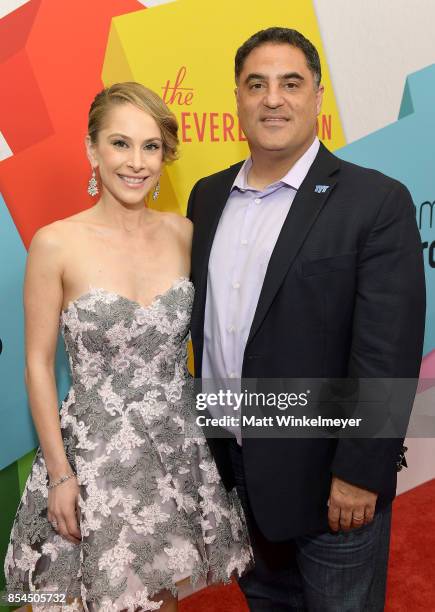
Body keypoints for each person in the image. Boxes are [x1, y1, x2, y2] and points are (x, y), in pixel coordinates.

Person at [187, 28, 426, 611]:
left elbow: (386, 350)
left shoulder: (374, 201)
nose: (274, 99)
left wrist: (361, 472)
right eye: (257, 85)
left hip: (331, 481)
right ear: (237, 99)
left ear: (318, 97)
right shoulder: (206, 197)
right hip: (237, 471)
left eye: (291, 84)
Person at [4, 82, 252, 611]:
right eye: (120, 144)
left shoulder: (186, 234)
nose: (136, 162)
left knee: (159, 599)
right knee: (55, 601)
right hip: (89, 459)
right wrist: (60, 474)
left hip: (173, 454)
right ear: (92, 149)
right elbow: (37, 366)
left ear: (164, 155)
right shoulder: (55, 242)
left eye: (151, 146)